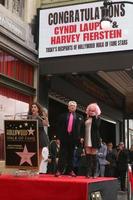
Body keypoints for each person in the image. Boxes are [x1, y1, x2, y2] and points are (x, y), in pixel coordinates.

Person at [55, 100, 85, 177]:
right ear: (68, 107)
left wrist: (81, 137)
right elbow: (58, 127)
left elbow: (82, 129)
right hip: (64, 137)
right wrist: (58, 137)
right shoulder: (62, 116)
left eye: (74, 106)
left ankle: (70, 171)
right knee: (62, 154)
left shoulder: (80, 117)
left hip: (74, 138)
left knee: (71, 155)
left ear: (76, 107)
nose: (72, 106)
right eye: (71, 105)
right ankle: (59, 170)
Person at [28, 102, 50, 172]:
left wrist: (45, 117)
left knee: (39, 153)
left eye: (35, 107)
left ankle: (36, 169)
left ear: (38, 109)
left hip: (40, 136)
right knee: (32, 153)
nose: (33, 108)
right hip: (31, 136)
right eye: (32, 107)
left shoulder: (41, 116)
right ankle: (32, 167)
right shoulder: (29, 116)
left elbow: (46, 124)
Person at [85, 103, 101, 178]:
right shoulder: (86, 118)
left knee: (94, 157)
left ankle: (95, 172)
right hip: (87, 139)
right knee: (88, 157)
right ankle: (88, 172)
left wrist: (94, 117)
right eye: (90, 110)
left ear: (96, 111)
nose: (91, 112)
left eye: (93, 110)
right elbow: (83, 128)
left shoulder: (98, 119)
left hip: (94, 140)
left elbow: (96, 127)